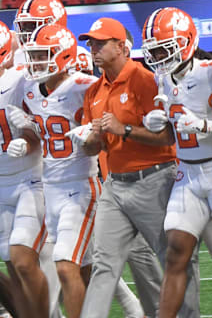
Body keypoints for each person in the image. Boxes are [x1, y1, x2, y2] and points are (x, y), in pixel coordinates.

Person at [67, 17, 199, 318]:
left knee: (174, 259)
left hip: (154, 178)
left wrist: (124, 129)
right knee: (104, 264)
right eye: (91, 43)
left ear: (122, 46)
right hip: (114, 183)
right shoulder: (94, 91)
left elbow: (168, 135)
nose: (93, 48)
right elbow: (97, 145)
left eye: (101, 43)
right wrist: (88, 140)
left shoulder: (145, 79)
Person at [141, 6, 212, 318]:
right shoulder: (164, 79)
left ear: (186, 42)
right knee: (175, 252)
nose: (159, 57)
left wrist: (205, 126)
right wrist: (159, 123)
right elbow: (175, 130)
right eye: (154, 51)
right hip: (187, 173)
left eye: (164, 49)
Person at [9, 23, 100, 318]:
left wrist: (91, 136)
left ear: (62, 56)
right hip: (50, 188)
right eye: (33, 56)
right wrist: (24, 140)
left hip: (80, 185)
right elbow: (40, 132)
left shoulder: (84, 86)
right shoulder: (33, 92)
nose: (35, 63)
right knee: (81, 268)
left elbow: (102, 136)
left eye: (42, 55)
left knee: (64, 265)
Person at [0, 21, 49, 318]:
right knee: (10, 261)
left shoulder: (21, 81)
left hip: (29, 178)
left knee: (22, 260)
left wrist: (27, 141)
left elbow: (43, 125)